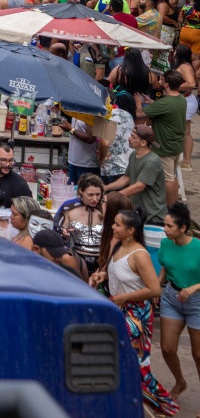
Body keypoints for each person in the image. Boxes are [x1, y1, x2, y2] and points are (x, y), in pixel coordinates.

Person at [87, 210, 178, 416]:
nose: (113, 227)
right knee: (118, 359)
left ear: (130, 231)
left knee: (134, 365)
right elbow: (123, 274)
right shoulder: (119, 246)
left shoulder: (140, 255)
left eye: (117, 224)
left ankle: (164, 406)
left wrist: (125, 297)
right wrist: (103, 275)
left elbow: (154, 289)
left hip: (136, 315)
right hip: (119, 308)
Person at [159, 201, 200, 403]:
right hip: (171, 298)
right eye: (164, 225)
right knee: (167, 348)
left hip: (197, 302)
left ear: (183, 228)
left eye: (169, 226)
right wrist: (155, 287)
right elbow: (166, 267)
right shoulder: (165, 243)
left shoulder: (198, 247)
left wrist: (194, 287)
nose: (165, 229)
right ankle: (180, 382)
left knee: (198, 354)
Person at [104, 125, 166, 226]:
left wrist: (114, 197)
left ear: (143, 143)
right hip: (138, 213)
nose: (129, 138)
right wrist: (106, 187)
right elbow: (126, 178)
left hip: (152, 216)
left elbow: (139, 186)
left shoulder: (152, 161)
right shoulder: (134, 155)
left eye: (133, 137)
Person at [142, 69, 188, 206]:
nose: (159, 80)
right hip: (176, 145)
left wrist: (138, 103)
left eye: (161, 79)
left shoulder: (164, 103)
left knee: (168, 179)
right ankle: (173, 205)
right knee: (172, 176)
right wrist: (152, 102)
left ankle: (171, 208)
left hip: (165, 147)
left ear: (167, 84)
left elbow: (140, 113)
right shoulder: (181, 99)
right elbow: (166, 108)